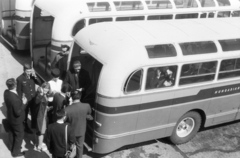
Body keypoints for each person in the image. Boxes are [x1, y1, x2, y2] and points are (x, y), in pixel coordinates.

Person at [4, 78, 27, 157]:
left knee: (11, 132)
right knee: (19, 135)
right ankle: (15, 152)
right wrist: (23, 103)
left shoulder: (6, 92)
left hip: (10, 117)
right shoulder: (15, 100)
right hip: (16, 120)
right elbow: (18, 113)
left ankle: (11, 147)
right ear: (15, 85)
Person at [65, 91, 93, 158]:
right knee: (80, 146)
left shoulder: (67, 109)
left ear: (71, 97)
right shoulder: (86, 106)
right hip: (81, 130)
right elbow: (89, 113)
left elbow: (65, 119)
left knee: (69, 146)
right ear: (80, 97)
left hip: (71, 132)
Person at [16, 63, 41, 134]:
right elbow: (19, 91)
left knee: (34, 113)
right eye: (28, 71)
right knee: (25, 114)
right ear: (24, 70)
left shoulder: (32, 76)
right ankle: (25, 126)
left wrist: (35, 76)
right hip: (25, 100)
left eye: (30, 71)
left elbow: (40, 83)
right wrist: (21, 101)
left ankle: (33, 125)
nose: (29, 73)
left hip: (33, 99)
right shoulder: (19, 79)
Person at [34, 82, 52, 151]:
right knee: (41, 131)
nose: (46, 90)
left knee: (39, 130)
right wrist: (41, 94)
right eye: (45, 88)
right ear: (42, 87)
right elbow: (37, 101)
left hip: (43, 113)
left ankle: (38, 143)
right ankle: (39, 146)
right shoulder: (40, 95)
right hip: (41, 115)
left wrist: (47, 107)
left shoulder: (44, 94)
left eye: (47, 88)